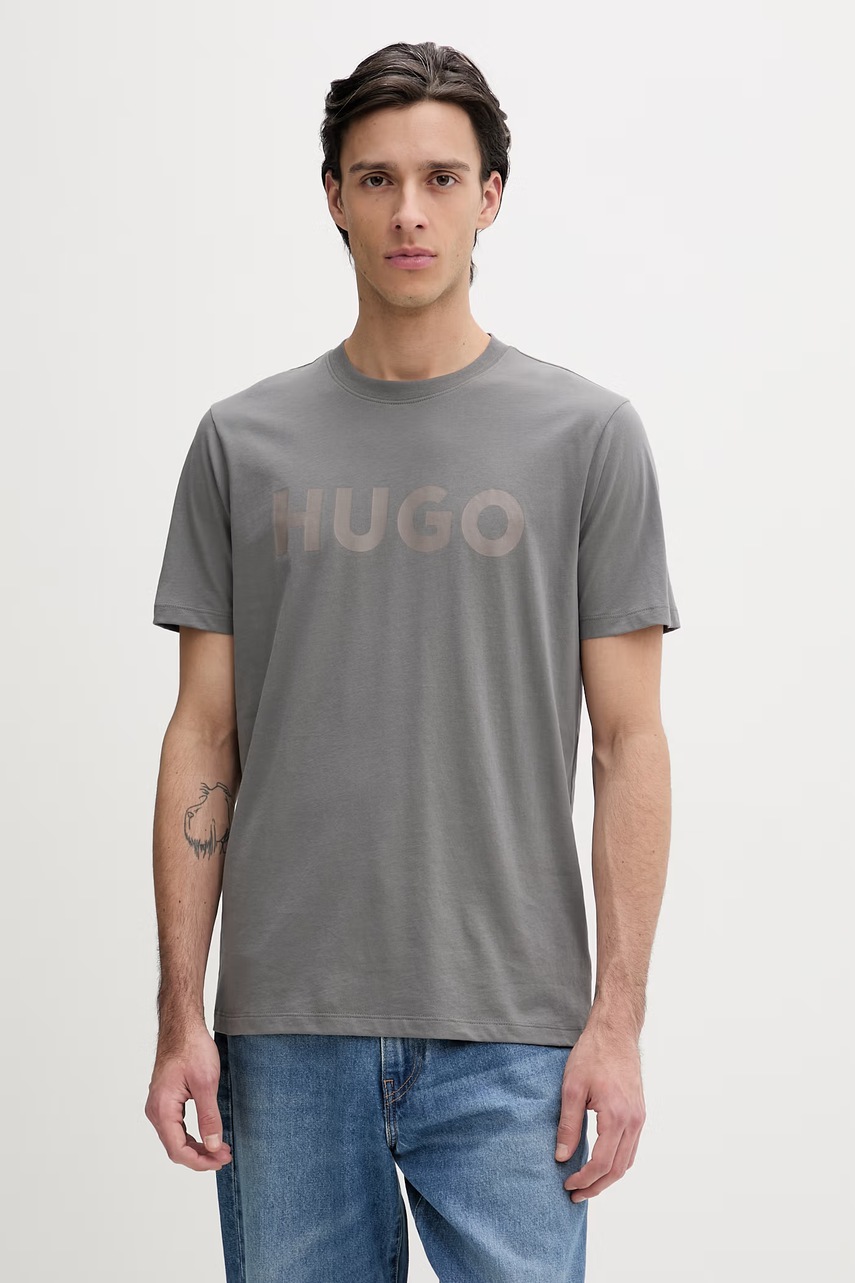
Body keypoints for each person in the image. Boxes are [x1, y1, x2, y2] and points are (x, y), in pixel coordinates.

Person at [144, 39, 681, 1283]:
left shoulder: (588, 437)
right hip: (284, 1030)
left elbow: (630, 741)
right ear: (333, 196)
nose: (408, 212)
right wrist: (180, 1009)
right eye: (377, 179)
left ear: (491, 196)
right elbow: (202, 732)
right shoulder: (241, 443)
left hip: (515, 1033)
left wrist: (618, 1019)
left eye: (441, 178)